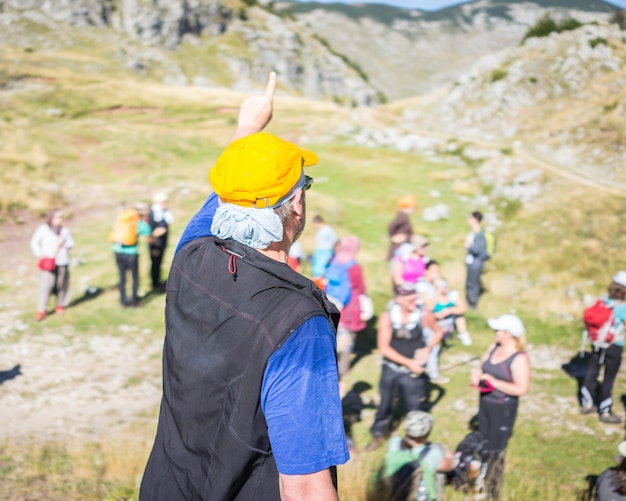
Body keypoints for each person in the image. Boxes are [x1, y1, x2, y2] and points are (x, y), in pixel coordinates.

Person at [140, 73, 348, 500]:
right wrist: (249, 130)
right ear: (296, 204)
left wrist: (248, 127)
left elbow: (222, 195)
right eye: (303, 185)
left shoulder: (191, 257)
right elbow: (306, 487)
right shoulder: (299, 325)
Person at [367, 288, 443, 451]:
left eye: (416, 299)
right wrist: (410, 363)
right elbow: (384, 347)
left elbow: (438, 332)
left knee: (414, 408)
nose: (415, 303)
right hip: (392, 369)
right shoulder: (387, 317)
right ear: (399, 300)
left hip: (413, 374)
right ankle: (378, 435)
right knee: (385, 404)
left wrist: (428, 348)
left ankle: (415, 442)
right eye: (411, 300)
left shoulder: (423, 315)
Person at [470, 314, 530, 499]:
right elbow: (482, 366)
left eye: (498, 330)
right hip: (485, 402)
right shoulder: (494, 347)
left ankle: (492, 490)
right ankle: (479, 481)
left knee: (496, 450)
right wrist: (476, 374)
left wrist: (494, 382)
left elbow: (521, 389)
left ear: (509, 334)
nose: (495, 332)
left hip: (503, 408)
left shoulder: (519, 358)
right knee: (483, 442)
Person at [374, 410, 455, 501]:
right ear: (428, 432)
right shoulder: (433, 453)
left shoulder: (395, 442)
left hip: (390, 493)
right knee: (440, 474)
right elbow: (450, 465)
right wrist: (446, 449)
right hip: (415, 496)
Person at [580, 271, 626, 424]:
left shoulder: (602, 300)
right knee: (609, 378)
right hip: (614, 346)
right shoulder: (623, 308)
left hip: (597, 343)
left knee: (592, 371)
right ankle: (605, 411)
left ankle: (587, 403)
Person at [331, 235, 368, 378]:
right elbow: (360, 286)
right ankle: (344, 368)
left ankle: (333, 363)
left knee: (337, 334)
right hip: (351, 306)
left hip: (335, 302)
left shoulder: (335, 261)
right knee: (348, 338)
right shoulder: (353, 266)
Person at [29, 209, 74, 321]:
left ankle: (60, 304)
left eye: (61, 218)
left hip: (62, 261)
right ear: (51, 218)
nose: (60, 220)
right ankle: (41, 310)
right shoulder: (43, 229)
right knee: (45, 286)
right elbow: (34, 242)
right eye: (57, 217)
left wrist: (63, 243)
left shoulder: (65, 231)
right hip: (48, 262)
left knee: (62, 285)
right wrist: (40, 254)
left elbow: (71, 244)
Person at [111, 202, 152, 307]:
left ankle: (123, 301)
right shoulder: (139, 222)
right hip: (131, 253)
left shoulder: (122, 220)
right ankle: (134, 301)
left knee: (122, 277)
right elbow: (148, 233)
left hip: (117, 250)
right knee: (134, 277)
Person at [433, 277, 472, 347]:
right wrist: (436, 315)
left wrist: (450, 310)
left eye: (445, 285)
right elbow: (428, 311)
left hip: (451, 321)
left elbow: (463, 308)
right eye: (441, 286)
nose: (444, 288)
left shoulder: (453, 295)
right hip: (437, 322)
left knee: (459, 316)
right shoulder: (433, 298)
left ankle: (463, 335)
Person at [148, 192, 174, 291]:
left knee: (159, 263)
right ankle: (155, 285)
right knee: (155, 263)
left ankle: (157, 282)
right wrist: (155, 234)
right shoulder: (152, 213)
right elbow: (149, 231)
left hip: (161, 243)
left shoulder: (165, 212)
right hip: (155, 243)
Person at [464, 211, 490, 309]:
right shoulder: (473, 232)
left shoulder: (479, 234)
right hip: (471, 262)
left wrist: (468, 247)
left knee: (473, 283)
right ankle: (469, 301)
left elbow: (478, 250)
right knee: (470, 282)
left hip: (476, 263)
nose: (468, 220)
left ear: (475, 220)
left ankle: (473, 304)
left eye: (470, 218)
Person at [387, 195, 417, 261]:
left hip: (403, 246)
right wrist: (393, 237)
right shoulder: (402, 216)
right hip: (400, 248)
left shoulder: (403, 216)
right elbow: (391, 226)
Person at [311, 214, 337, 279]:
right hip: (319, 252)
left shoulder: (327, 230)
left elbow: (334, 241)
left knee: (321, 270)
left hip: (326, 252)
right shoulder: (319, 231)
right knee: (316, 268)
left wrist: (333, 252)